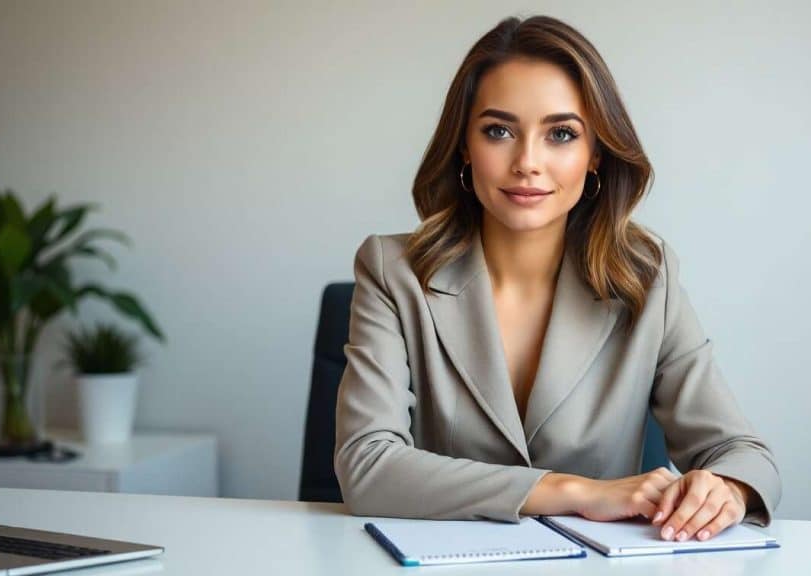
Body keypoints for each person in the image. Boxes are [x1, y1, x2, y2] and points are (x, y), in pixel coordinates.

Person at [333, 15, 781, 543]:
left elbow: (745, 455)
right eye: (498, 131)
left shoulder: (647, 275)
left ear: (596, 154)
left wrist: (725, 489)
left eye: (561, 134)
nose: (527, 162)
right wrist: (577, 491)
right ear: (463, 146)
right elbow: (367, 466)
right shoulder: (393, 271)